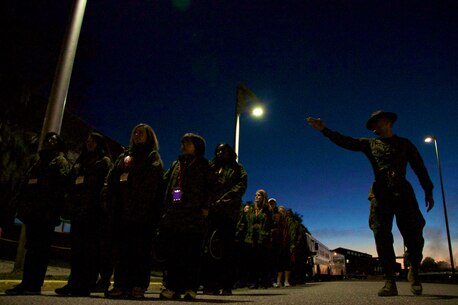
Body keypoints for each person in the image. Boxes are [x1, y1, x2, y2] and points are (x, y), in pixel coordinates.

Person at [307, 110, 434, 297]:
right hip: (380, 195)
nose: (373, 127)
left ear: (388, 122)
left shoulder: (404, 144)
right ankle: (390, 280)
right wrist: (324, 130)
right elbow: (347, 141)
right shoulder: (370, 144)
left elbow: (419, 167)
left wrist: (428, 190)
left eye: (377, 122)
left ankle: (414, 269)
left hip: (403, 194)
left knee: (414, 235)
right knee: (381, 236)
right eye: (372, 124)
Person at [5, 132, 70, 295]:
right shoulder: (39, 161)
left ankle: (34, 284)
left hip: (46, 213)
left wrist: (52, 210)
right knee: (32, 248)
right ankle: (26, 282)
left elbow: (59, 188)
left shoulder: (60, 162)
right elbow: (27, 184)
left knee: (40, 250)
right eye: (48, 139)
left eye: (53, 140)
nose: (49, 141)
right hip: (33, 212)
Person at [104, 124, 164, 299]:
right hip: (122, 210)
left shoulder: (152, 158)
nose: (137, 135)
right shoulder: (124, 156)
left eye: (141, 133)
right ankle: (121, 284)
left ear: (149, 137)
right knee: (122, 250)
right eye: (135, 132)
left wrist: (142, 206)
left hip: (142, 214)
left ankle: (138, 285)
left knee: (140, 250)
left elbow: (152, 186)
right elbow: (113, 177)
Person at [55, 132, 112, 296]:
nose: (90, 143)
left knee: (90, 250)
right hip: (78, 212)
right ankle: (73, 282)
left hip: (94, 212)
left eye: (93, 141)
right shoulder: (80, 162)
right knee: (76, 250)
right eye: (88, 140)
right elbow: (71, 183)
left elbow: (105, 187)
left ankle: (85, 284)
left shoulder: (104, 162)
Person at [159, 133, 214, 300]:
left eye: (188, 142)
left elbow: (212, 188)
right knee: (174, 253)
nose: (183, 145)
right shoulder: (177, 164)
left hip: (195, 217)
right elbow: (167, 183)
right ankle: (172, 287)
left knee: (192, 254)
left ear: (197, 146)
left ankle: (191, 288)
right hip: (176, 215)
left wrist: (205, 207)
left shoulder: (204, 165)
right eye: (182, 142)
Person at [201, 144, 247, 295]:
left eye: (224, 150)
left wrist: (223, 201)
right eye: (218, 150)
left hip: (228, 214)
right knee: (209, 248)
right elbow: (204, 186)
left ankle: (226, 285)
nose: (220, 153)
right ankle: (210, 284)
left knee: (227, 250)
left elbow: (240, 187)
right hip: (211, 213)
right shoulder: (211, 167)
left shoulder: (237, 169)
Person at [239, 189, 273, 289]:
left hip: (263, 238)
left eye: (259, 195)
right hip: (251, 238)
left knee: (262, 260)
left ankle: (264, 281)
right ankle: (253, 282)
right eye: (256, 195)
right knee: (252, 261)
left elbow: (271, 225)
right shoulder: (251, 209)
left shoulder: (268, 210)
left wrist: (267, 235)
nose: (256, 197)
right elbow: (246, 222)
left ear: (263, 197)